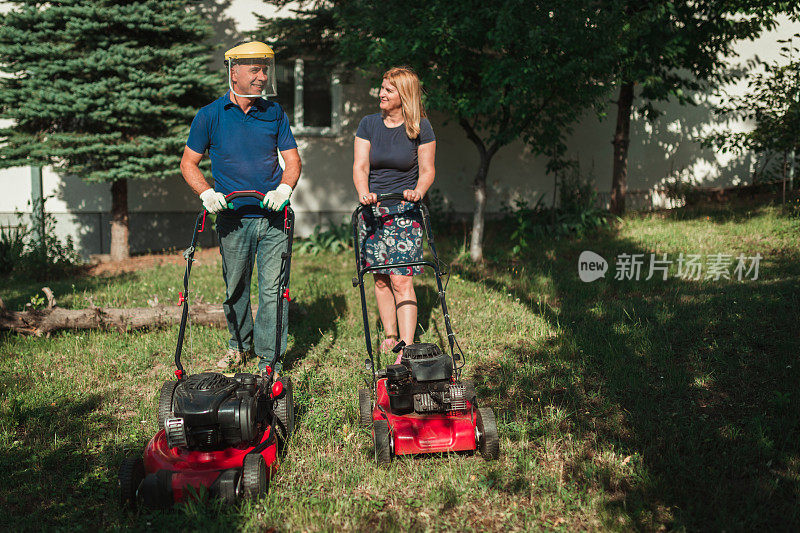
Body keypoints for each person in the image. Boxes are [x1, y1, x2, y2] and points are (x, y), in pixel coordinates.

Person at [180, 41, 301, 375]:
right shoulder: (209, 116)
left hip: (274, 217)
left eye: (265, 70)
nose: (262, 77)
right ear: (234, 72)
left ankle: (269, 357)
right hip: (233, 219)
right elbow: (189, 163)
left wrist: (285, 188)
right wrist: (206, 193)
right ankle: (238, 346)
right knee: (236, 287)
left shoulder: (273, 113)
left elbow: (292, 160)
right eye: (255, 70)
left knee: (274, 289)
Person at [353, 66, 436, 363]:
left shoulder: (420, 127)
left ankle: (407, 344)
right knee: (379, 278)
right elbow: (360, 166)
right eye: (382, 88)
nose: (381, 93)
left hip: (405, 210)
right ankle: (389, 335)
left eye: (389, 90)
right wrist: (364, 192)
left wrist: (418, 191)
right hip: (373, 210)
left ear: (405, 95)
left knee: (401, 279)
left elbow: (427, 171)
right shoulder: (368, 124)